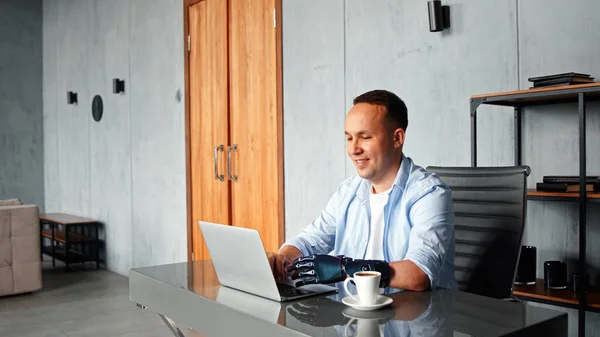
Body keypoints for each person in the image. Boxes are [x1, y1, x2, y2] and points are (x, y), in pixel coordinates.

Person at [269, 89, 456, 291]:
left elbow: (419, 274)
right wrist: (281, 260)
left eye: (365, 137)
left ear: (397, 138)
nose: (353, 149)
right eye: (349, 138)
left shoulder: (429, 194)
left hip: (416, 317)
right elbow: (311, 240)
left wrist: (346, 268)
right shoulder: (348, 192)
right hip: (355, 315)